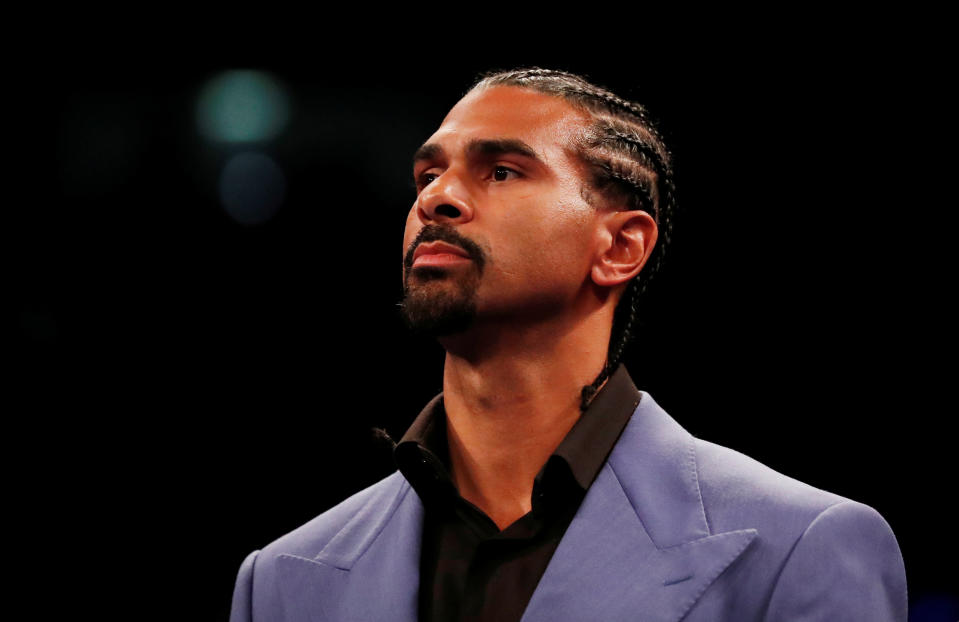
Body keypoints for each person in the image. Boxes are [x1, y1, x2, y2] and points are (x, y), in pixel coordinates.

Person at [229, 68, 907, 622]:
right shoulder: (281, 583)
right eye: (426, 176)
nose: (438, 198)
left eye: (500, 171)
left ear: (618, 246)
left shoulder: (799, 547)